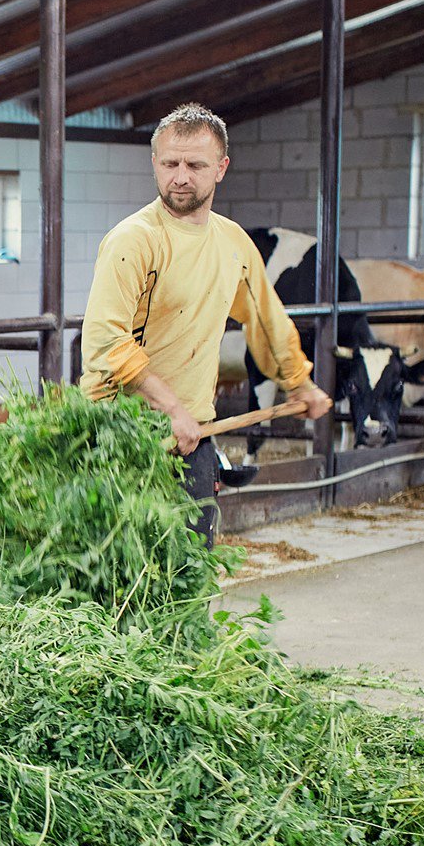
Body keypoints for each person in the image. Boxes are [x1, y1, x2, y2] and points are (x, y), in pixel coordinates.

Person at [77, 103, 332, 545]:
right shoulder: (134, 240)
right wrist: (170, 409)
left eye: (195, 165)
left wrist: (298, 381)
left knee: (190, 578)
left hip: (195, 435)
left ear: (221, 168)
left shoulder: (233, 242)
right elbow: (105, 340)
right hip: (117, 434)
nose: (180, 176)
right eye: (170, 163)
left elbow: (266, 318)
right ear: (155, 164)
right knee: (119, 584)